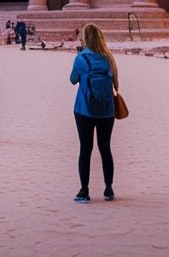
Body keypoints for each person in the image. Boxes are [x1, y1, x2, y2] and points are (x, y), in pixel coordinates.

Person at [69, 23, 119, 203]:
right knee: (105, 148)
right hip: (106, 110)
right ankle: (108, 189)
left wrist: (79, 59)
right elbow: (116, 84)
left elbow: (73, 80)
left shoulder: (81, 58)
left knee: (86, 149)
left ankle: (84, 191)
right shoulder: (109, 58)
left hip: (84, 109)